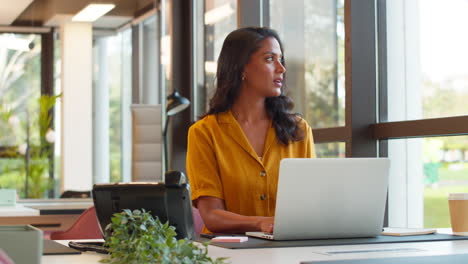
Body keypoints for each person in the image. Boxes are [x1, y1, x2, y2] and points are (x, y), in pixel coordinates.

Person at [186, 27, 316, 234]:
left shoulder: (299, 130)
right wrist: (259, 223)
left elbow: (312, 203)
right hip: (228, 253)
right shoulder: (204, 132)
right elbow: (212, 215)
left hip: (290, 248)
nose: (281, 68)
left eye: (281, 59)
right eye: (269, 59)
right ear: (241, 67)